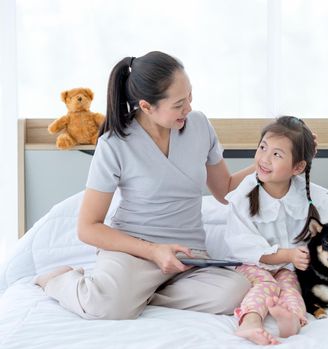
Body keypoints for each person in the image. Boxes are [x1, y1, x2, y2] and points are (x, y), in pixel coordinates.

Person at [34, 51, 253, 320]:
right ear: (146, 106)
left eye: (190, 97)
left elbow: (226, 190)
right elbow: (88, 227)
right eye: (179, 104)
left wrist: (265, 164)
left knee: (235, 292)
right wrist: (153, 251)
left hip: (188, 256)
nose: (189, 109)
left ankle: (137, 295)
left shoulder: (199, 126)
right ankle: (60, 280)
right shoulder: (114, 144)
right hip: (133, 254)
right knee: (105, 306)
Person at [208, 116, 328, 345]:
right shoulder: (243, 197)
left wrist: (306, 256)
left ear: (297, 167)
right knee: (266, 284)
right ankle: (250, 322)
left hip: (287, 267)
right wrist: (288, 255)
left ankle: (292, 319)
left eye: (277, 154)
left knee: (291, 285)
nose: (265, 159)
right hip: (252, 264)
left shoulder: (310, 198)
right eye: (262, 148)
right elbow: (245, 246)